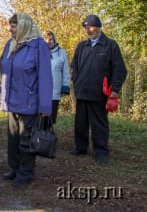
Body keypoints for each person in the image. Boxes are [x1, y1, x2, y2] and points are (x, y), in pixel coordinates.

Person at [0, 13, 53, 187]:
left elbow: (45, 77)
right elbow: (4, 71)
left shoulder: (39, 46)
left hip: (29, 103)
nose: (10, 29)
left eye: (14, 26)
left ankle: (26, 174)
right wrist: (1, 93)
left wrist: (45, 106)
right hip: (12, 100)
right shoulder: (10, 44)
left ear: (24, 27)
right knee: (13, 138)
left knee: (27, 139)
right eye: (10, 26)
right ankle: (14, 169)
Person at [70, 15, 127, 164]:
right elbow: (74, 66)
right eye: (86, 28)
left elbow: (120, 69)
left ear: (99, 27)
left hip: (100, 94)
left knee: (99, 124)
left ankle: (101, 152)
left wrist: (114, 89)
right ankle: (80, 148)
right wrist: (76, 81)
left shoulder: (110, 45)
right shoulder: (82, 46)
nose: (88, 30)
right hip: (82, 91)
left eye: (91, 27)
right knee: (80, 123)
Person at [42, 30, 71, 123]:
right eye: (46, 39)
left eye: (50, 39)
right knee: (40, 119)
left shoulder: (61, 53)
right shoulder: (39, 53)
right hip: (40, 92)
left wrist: (65, 88)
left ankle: (48, 136)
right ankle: (38, 137)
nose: (48, 41)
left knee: (50, 119)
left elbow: (66, 71)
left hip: (54, 92)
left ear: (54, 40)